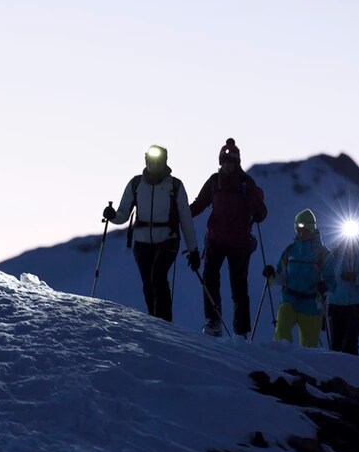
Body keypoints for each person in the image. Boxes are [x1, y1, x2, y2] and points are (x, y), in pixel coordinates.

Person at [103, 145, 200, 322]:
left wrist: (193, 250)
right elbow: (123, 214)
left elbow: (185, 219)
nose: (154, 165)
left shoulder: (175, 186)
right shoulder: (136, 184)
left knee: (158, 277)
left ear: (164, 162)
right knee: (148, 283)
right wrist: (113, 216)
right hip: (141, 243)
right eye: (151, 161)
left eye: (158, 161)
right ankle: (154, 322)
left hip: (168, 240)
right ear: (146, 161)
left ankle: (163, 324)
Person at [189, 138, 267, 337]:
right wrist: (181, 214)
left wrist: (258, 212)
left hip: (237, 244)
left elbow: (261, 210)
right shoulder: (218, 181)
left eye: (231, 162)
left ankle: (238, 329)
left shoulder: (244, 183)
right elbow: (199, 204)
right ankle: (216, 321)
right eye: (225, 162)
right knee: (212, 280)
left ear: (237, 162)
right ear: (221, 162)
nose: (227, 165)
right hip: (219, 241)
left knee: (237, 286)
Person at [263, 209, 337, 348]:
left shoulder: (323, 254)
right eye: (298, 229)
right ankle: (281, 366)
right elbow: (282, 275)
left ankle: (303, 369)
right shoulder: (290, 250)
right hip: (289, 301)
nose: (300, 233)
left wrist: (325, 286)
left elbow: (332, 282)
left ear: (311, 229)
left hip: (311, 305)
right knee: (281, 337)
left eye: (304, 229)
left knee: (309, 347)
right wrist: (272, 274)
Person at [325, 230, 359, 355]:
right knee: (336, 345)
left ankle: (349, 372)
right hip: (336, 304)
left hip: (354, 305)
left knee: (350, 344)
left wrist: (356, 277)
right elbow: (326, 274)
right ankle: (341, 372)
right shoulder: (334, 253)